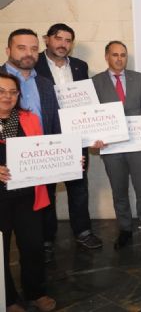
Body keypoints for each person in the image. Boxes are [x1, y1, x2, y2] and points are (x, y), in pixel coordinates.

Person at [34, 23, 103, 254]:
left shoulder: (80, 66)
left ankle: (83, 231)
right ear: (47, 39)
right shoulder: (35, 64)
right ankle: (46, 238)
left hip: (76, 136)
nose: (63, 44)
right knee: (47, 188)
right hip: (46, 136)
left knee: (79, 186)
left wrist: (95, 133)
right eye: (58, 38)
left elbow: (87, 103)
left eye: (67, 40)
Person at [1, 29, 61, 264]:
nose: (29, 53)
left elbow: (55, 124)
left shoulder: (45, 83)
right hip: (4, 173)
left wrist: (66, 155)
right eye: (21, 47)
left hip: (38, 168)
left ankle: (38, 272)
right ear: (8, 50)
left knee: (33, 236)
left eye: (34, 48)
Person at [92, 41, 141, 249]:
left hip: (138, 145)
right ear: (106, 56)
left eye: (123, 55)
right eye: (115, 55)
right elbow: (92, 114)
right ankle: (125, 229)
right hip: (112, 147)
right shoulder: (95, 82)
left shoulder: (138, 78)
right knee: (119, 190)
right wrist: (94, 138)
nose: (119, 59)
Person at [0, 72, 56, 312]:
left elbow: (44, 151)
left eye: (13, 92)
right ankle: (7, 299)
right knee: (0, 251)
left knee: (33, 246)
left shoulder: (29, 118)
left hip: (28, 196)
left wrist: (70, 161)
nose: (7, 96)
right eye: (1, 91)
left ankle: (36, 292)